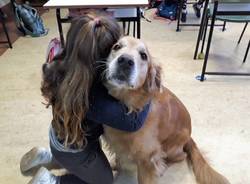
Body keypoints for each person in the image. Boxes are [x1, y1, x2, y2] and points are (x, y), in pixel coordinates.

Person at [20, 12, 150, 184]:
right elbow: (132, 122)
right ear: (102, 59)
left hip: (60, 138)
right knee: (104, 180)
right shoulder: (93, 98)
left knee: (69, 152)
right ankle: (49, 181)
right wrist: (150, 86)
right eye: (116, 48)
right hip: (76, 151)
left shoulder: (62, 65)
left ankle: (46, 156)